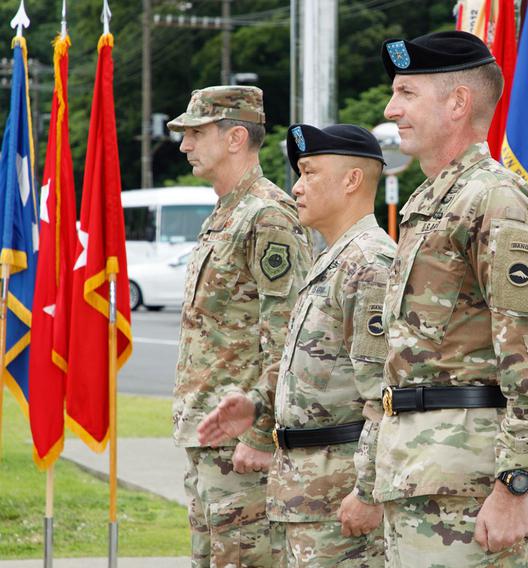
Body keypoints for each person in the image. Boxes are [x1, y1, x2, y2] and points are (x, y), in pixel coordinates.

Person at [375, 31, 528, 566]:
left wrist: (515, 484)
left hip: (468, 487)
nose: (390, 108)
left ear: (457, 102)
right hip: (417, 474)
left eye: (406, 93)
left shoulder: (496, 201)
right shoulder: (430, 202)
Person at [196, 124, 395, 568]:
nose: (297, 187)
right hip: (304, 495)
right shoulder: (333, 258)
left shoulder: (369, 264)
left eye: (309, 173)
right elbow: (316, 376)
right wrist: (257, 405)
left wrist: (368, 492)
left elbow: (383, 397)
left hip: (339, 500)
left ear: (351, 181)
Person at [168, 85, 312, 567]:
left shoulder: (267, 216)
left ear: (234, 137)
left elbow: (288, 337)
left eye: (195, 132)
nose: (185, 145)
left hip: (242, 444)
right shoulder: (225, 213)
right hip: (210, 437)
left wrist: (262, 431)